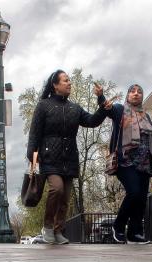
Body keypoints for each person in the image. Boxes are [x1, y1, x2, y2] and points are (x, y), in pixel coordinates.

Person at [26, 70, 107, 245]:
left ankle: (58, 230)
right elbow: (34, 132)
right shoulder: (43, 106)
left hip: (69, 158)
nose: (69, 83)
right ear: (55, 85)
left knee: (65, 197)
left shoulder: (75, 108)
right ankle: (47, 227)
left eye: (69, 80)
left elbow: (92, 121)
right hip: (49, 157)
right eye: (65, 80)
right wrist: (31, 155)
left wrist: (101, 100)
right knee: (57, 189)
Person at [97, 84, 152, 244]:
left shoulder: (147, 117)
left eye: (139, 92)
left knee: (141, 199)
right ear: (128, 95)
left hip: (144, 164)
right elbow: (107, 109)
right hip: (125, 162)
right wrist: (101, 97)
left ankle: (135, 233)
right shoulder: (119, 110)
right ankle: (118, 226)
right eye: (132, 91)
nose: (136, 94)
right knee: (134, 192)